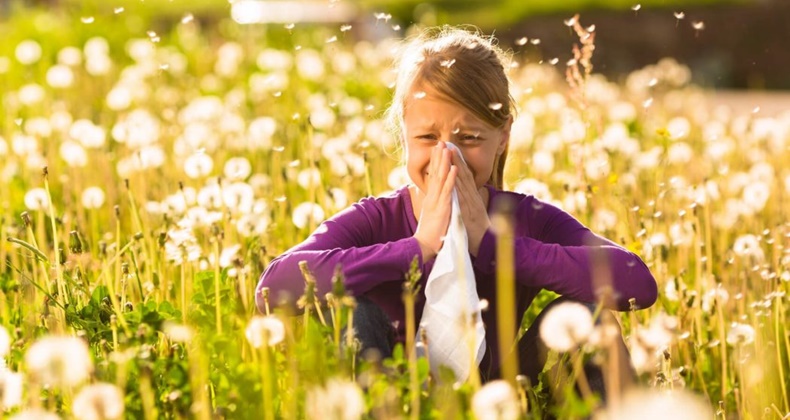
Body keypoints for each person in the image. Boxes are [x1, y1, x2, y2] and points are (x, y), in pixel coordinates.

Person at [256, 26, 657, 391]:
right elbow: (273, 288)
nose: (447, 156)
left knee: (590, 317)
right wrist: (417, 248)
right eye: (428, 136)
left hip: (503, 394)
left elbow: (637, 283)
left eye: (468, 138)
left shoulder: (524, 218)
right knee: (349, 311)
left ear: (502, 138)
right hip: (390, 394)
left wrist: (496, 246)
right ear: (404, 135)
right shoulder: (377, 218)